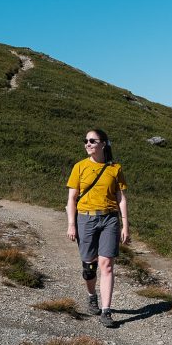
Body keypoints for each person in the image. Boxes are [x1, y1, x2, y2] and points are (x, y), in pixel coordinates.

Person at [66, 129, 129, 328]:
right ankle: (92, 295)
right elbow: (71, 199)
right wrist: (71, 224)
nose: (88, 144)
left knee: (107, 265)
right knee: (89, 266)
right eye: (86, 141)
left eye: (92, 141)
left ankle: (106, 310)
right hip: (86, 219)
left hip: (109, 219)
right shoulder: (79, 167)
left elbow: (121, 198)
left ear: (103, 144)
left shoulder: (115, 168)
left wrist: (125, 223)